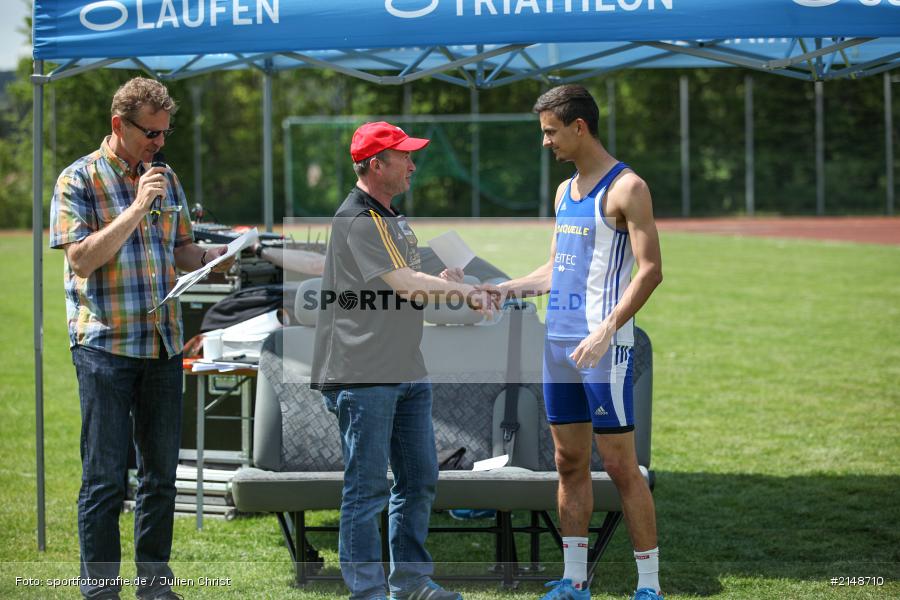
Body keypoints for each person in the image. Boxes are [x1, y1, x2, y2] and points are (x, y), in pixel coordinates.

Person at [49, 77, 233, 600]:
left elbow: (181, 251)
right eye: (150, 133)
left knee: (160, 478)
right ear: (118, 125)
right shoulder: (77, 179)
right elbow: (81, 259)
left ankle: (154, 586)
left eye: (164, 133)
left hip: (162, 343)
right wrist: (134, 209)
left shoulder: (166, 178)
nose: (158, 143)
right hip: (104, 346)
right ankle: (101, 590)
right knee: (106, 478)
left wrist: (213, 260)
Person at [492, 85, 664, 600]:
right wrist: (503, 289)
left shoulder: (627, 187)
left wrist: (606, 330)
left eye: (550, 131)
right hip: (557, 347)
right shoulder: (564, 192)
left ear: (578, 127)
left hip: (604, 350)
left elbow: (651, 272)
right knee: (568, 462)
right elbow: (555, 269)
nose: (545, 142)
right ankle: (574, 580)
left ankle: (649, 586)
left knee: (618, 464)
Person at [310, 121, 493, 600]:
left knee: (418, 483)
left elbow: (414, 278)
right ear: (377, 164)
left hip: (404, 369)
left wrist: (447, 275)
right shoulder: (357, 218)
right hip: (362, 373)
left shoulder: (392, 217)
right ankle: (368, 593)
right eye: (404, 156)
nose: (413, 165)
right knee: (366, 490)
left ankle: (410, 584)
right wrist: (463, 291)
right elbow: (406, 284)